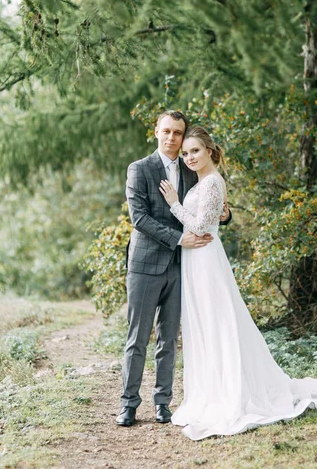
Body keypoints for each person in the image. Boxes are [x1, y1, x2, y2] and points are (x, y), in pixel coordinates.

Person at [159, 125, 317, 441]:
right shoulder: (202, 182)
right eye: (185, 153)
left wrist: (174, 203)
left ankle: (231, 392)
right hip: (195, 261)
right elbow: (212, 218)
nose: (188, 157)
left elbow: (200, 225)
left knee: (219, 322)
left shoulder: (212, 183)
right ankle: (210, 390)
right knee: (203, 325)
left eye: (194, 151)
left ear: (210, 151)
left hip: (206, 259)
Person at [117, 111, 231, 428]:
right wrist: (180, 238)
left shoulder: (191, 168)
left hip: (182, 268)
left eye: (178, 133)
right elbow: (139, 218)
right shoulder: (139, 169)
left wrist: (225, 214)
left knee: (169, 339)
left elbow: (209, 202)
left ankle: (162, 403)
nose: (172, 138)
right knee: (137, 338)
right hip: (145, 265)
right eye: (166, 131)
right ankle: (128, 404)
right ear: (156, 132)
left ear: (183, 137)